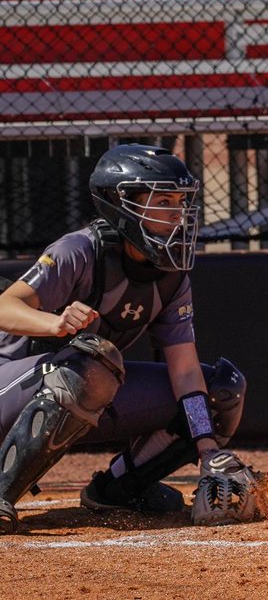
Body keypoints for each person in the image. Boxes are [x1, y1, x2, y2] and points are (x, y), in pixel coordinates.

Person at [0, 143, 251, 533]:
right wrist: (55, 324)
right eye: (162, 201)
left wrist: (208, 448)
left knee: (220, 391)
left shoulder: (171, 276)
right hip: (11, 389)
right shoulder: (79, 251)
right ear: (120, 204)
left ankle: (116, 490)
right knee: (88, 363)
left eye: (181, 202)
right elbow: (5, 306)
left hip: (87, 383)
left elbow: (185, 373)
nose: (177, 214)